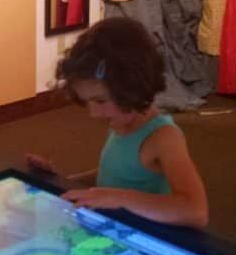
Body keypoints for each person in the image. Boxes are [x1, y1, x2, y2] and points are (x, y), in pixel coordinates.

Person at [26, 17, 209, 228]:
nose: (94, 114)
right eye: (88, 102)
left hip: (145, 239)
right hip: (115, 227)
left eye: (100, 101)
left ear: (131, 87)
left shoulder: (163, 137)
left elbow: (196, 211)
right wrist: (62, 180)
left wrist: (119, 198)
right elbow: (113, 174)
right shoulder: (120, 125)